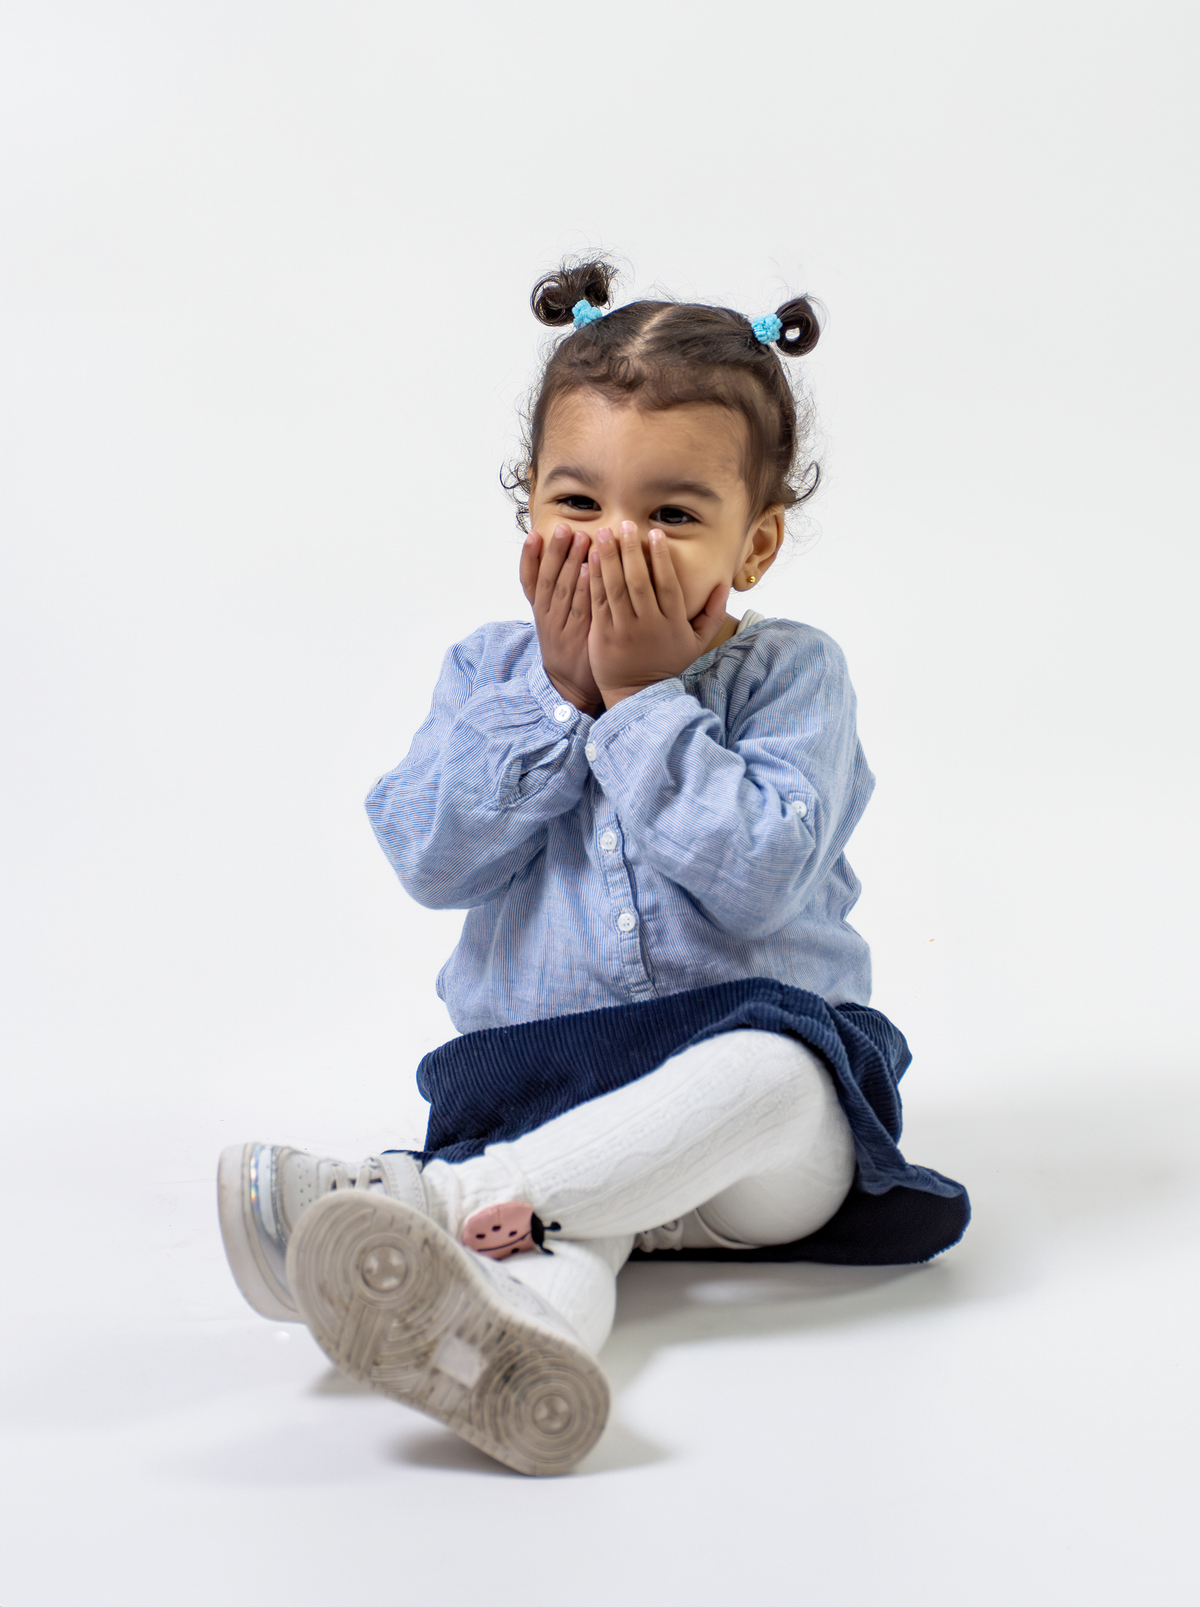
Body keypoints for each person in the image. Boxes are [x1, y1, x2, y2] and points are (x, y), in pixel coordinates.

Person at [217, 258, 968, 1476]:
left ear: (755, 546)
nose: (617, 541)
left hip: (757, 1155)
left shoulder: (793, 676)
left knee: (782, 1066)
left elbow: (761, 878)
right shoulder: (487, 675)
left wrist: (641, 702)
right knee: (548, 1238)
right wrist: (559, 700)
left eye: (672, 516)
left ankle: (424, 1202)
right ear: (529, 512)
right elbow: (428, 859)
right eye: (579, 502)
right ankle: (513, 1363)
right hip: (564, 1132)